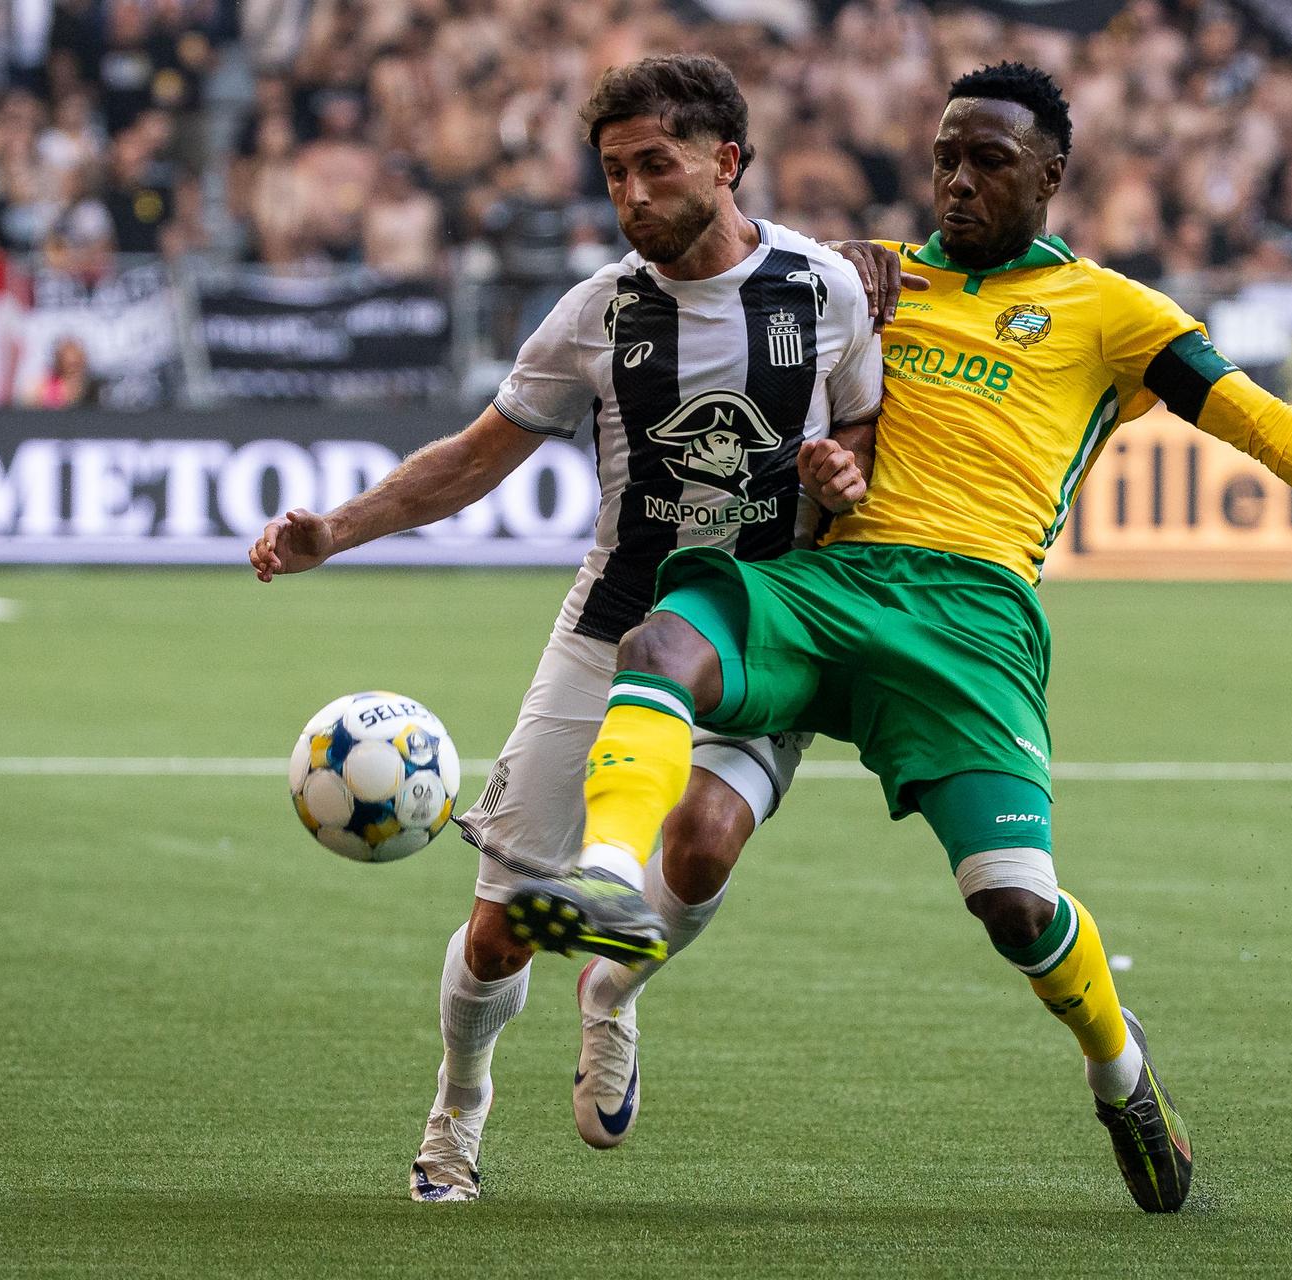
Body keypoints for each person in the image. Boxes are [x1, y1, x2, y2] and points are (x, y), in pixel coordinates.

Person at [508, 62, 1292, 1214]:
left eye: (989, 161)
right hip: (822, 586)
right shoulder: (864, 279)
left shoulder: (1115, 314)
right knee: (670, 688)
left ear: (1051, 175)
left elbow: (1271, 427)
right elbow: (732, 271)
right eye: (945, 158)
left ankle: (1122, 1069)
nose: (957, 181)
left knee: (1016, 907)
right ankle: (606, 922)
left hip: (970, 620)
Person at [247, 53, 881, 1202]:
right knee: (499, 932)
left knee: (701, 843)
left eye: (656, 166)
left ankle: (612, 990)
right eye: (614, 173)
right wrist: (334, 530)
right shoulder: (599, 312)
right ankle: (459, 1102)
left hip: (762, 630)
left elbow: (868, 438)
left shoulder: (824, 289)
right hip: (612, 628)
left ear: (727, 160)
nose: (631, 194)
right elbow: (472, 460)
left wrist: (844, 472)